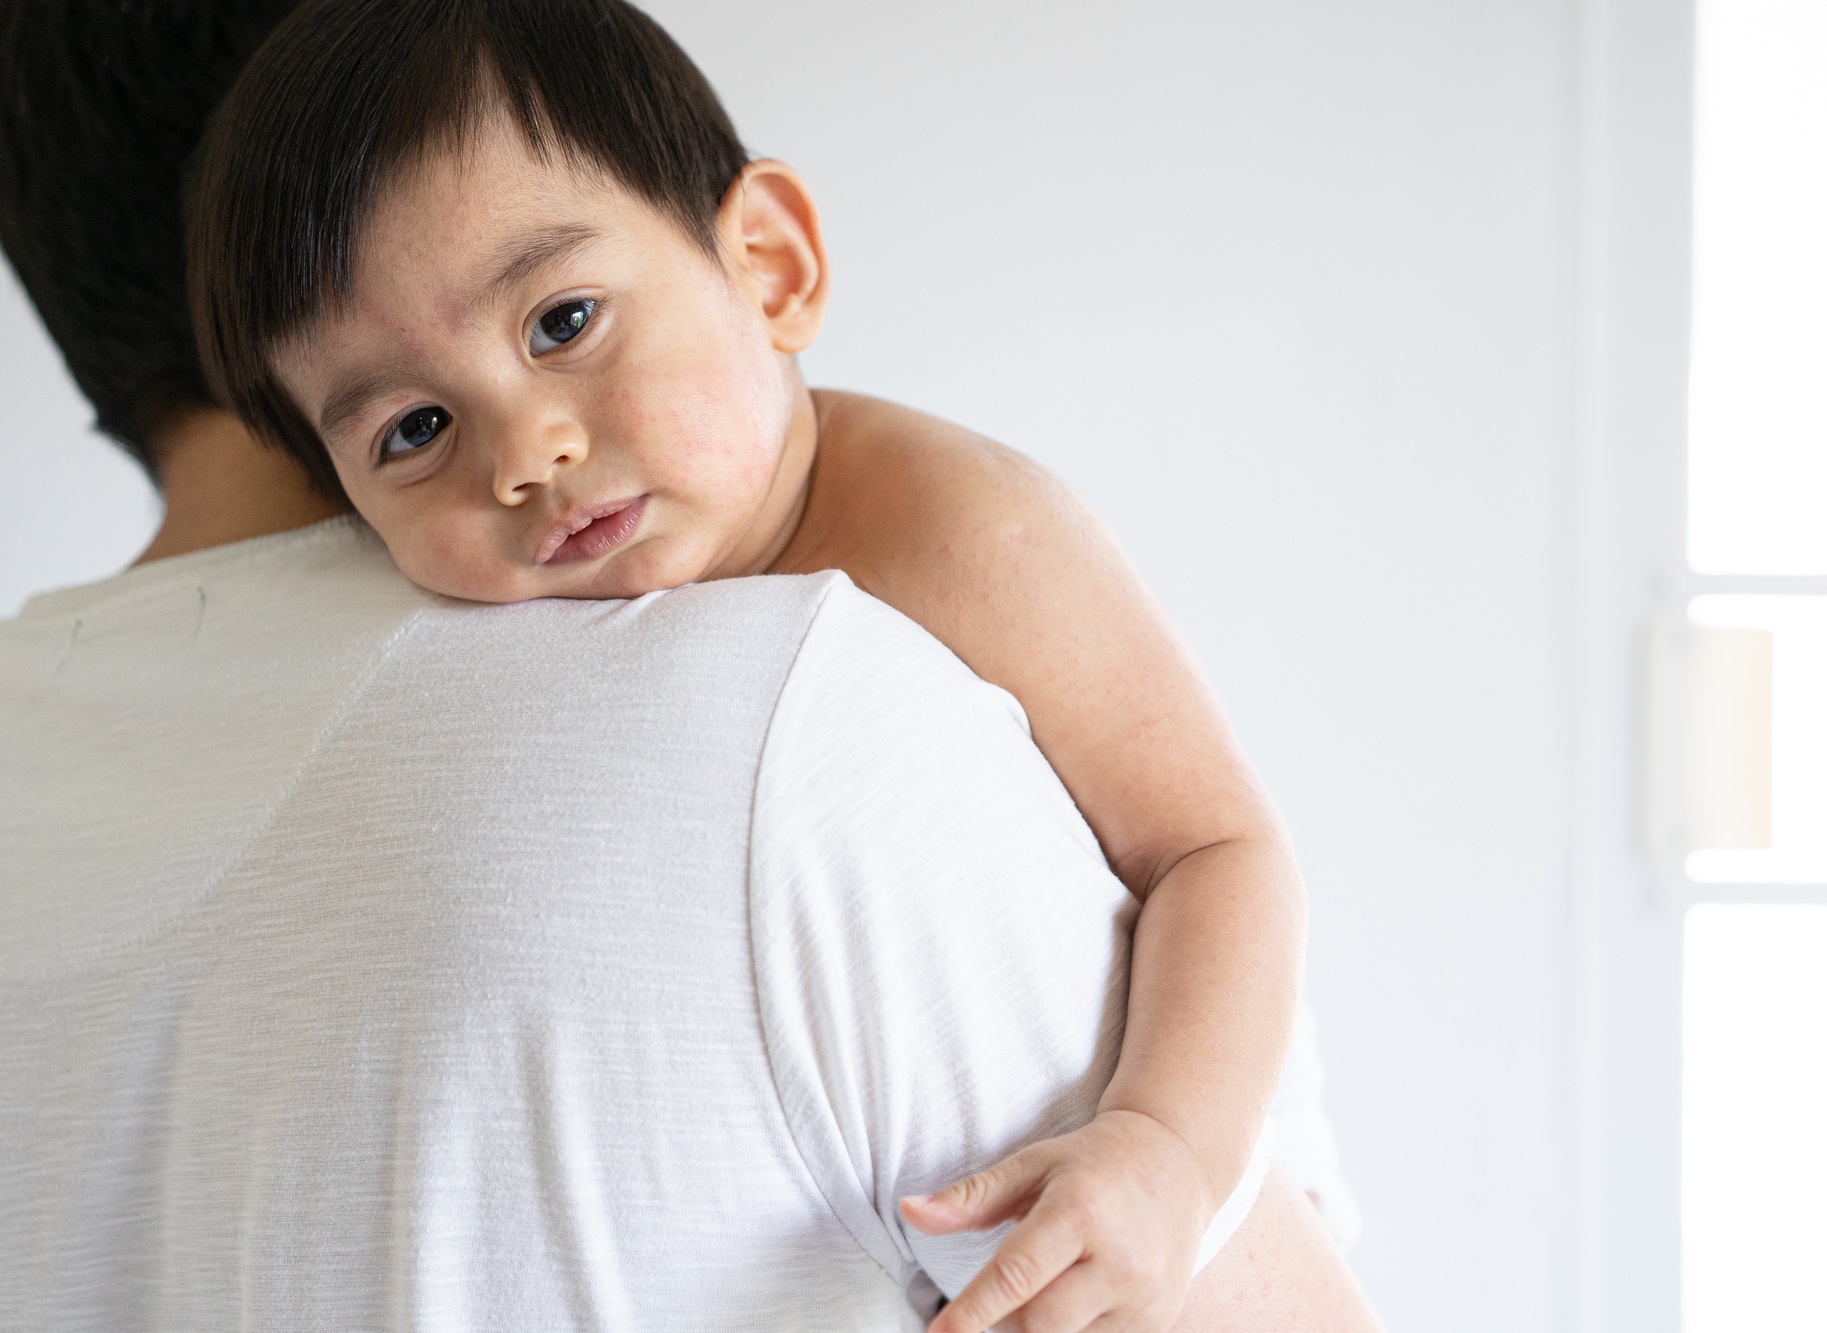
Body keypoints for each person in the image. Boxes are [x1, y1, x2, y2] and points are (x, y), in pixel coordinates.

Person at [0, 2, 1373, 1330]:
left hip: (1207, 1147)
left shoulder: (965, 532)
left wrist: (1169, 1145)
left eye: (562, 324)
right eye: (415, 429)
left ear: (771, 266)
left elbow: (1216, 848)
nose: (524, 450)